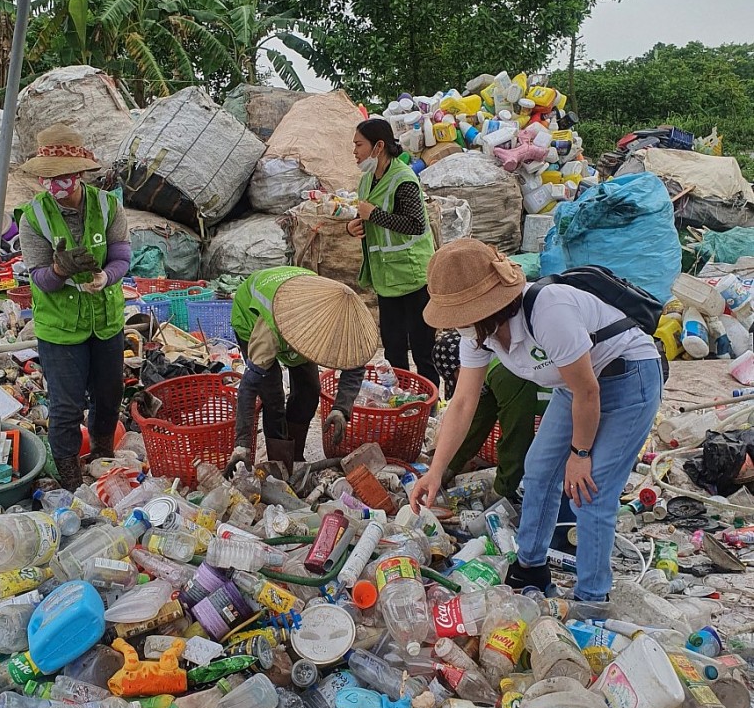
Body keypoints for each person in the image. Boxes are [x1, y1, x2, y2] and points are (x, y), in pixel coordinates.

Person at [410, 239, 662, 602]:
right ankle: (530, 566)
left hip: (627, 378)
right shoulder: (478, 335)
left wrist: (580, 454)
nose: (456, 324)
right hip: (572, 386)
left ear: (482, 306)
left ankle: (592, 597)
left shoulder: (549, 311)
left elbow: (589, 393)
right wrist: (435, 470)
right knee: (539, 469)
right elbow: (463, 403)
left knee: (590, 491)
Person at [18, 124, 130, 490]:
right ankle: (69, 477)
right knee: (66, 407)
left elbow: (121, 255)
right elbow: (39, 278)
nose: (55, 184)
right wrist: (59, 268)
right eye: (48, 178)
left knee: (109, 393)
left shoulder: (107, 205)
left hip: (106, 322)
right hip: (60, 329)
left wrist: (106, 278)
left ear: (79, 174)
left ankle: (101, 457)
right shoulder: (33, 217)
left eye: (63, 176)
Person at [229, 267, 379, 470]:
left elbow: (355, 363)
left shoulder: (342, 317)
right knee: (272, 397)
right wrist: (242, 445)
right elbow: (248, 388)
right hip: (252, 318)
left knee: (309, 390)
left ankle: (295, 456)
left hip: (298, 307)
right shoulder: (270, 332)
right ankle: (280, 463)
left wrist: (341, 409)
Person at [347, 118, 439, 387]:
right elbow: (364, 218)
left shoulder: (404, 179)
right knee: (393, 347)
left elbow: (415, 224)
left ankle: (429, 402)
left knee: (423, 348)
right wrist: (352, 227)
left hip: (412, 276)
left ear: (378, 147)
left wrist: (374, 214)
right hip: (386, 278)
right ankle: (400, 398)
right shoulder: (366, 181)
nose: (354, 152)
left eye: (358, 145)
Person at [432, 330, 549, 501]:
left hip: (576, 406)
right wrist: (445, 469)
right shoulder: (489, 371)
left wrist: (502, 490)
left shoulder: (503, 374)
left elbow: (516, 435)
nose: (459, 385)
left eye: (455, 379)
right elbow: (476, 424)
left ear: (461, 366)